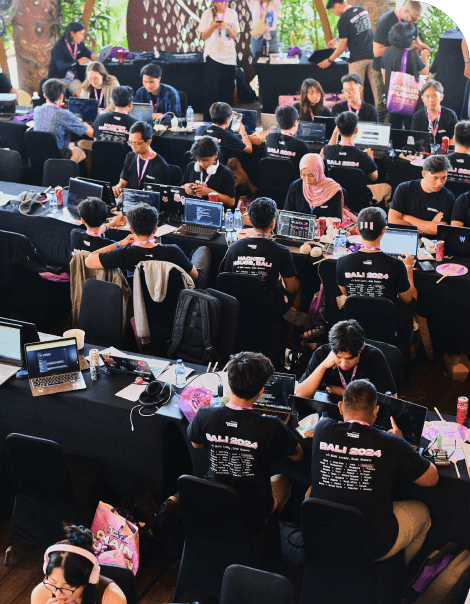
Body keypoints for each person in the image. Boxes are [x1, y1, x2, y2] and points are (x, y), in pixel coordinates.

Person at [309, 379, 438, 563]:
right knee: (423, 514)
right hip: (371, 544)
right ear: (376, 411)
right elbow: (432, 478)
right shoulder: (392, 443)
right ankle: (401, 572)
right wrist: (404, 443)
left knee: (310, 491)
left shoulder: (322, 429)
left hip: (322, 532)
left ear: (341, 407)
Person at [188, 351, 303, 527]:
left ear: (228, 382)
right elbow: (298, 456)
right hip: (252, 511)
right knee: (283, 481)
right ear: (261, 391)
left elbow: (196, 444)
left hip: (214, 500)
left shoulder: (204, 415)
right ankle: (268, 530)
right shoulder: (272, 425)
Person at [336, 206, 417, 355]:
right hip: (386, 327)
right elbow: (407, 299)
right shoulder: (396, 264)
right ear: (384, 230)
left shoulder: (342, 262)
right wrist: (408, 268)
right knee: (413, 293)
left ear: (357, 230)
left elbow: (345, 293)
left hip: (355, 328)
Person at [85, 203, 211, 288]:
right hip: (175, 300)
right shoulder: (173, 251)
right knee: (202, 250)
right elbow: (195, 277)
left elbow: (89, 261)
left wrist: (120, 243)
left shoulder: (124, 253)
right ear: (155, 229)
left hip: (140, 303)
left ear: (131, 230)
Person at [224, 196, 306, 325]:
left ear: (251, 221)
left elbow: (228, 278)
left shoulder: (234, 247)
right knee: (297, 284)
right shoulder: (282, 251)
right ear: (272, 224)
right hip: (267, 305)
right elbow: (290, 288)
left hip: (238, 302)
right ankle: (290, 330)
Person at [297, 319, 397, 399]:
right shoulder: (322, 353)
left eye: (350, 358)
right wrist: (323, 366)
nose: (344, 364)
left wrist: (340, 391)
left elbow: (392, 399)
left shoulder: (374, 357)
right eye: (339, 357)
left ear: (361, 348)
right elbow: (300, 395)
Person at [31, 525, 126, 603]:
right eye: (53, 582)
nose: (58, 594)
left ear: (89, 578)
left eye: (67, 588)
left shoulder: (113, 598)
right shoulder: (41, 594)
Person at [373, 0, 428, 122]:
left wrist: (419, 45)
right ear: (405, 11)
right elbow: (377, 51)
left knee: (407, 105)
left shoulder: (412, 20)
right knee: (385, 105)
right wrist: (402, 46)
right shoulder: (385, 21)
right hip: (387, 67)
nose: (415, 22)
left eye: (417, 20)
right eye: (414, 19)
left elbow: (415, 39)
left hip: (406, 69)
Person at [322, 111, 392, 206]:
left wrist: (335, 132)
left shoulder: (326, 151)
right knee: (387, 187)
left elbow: (327, 149)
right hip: (358, 198)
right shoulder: (363, 156)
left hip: (334, 195)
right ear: (356, 130)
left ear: (338, 130)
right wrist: (370, 159)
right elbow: (374, 177)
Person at [320, 0, 379, 109]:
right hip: (373, 55)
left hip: (357, 59)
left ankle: (359, 116)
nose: (335, 14)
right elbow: (358, 30)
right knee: (378, 91)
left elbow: (342, 46)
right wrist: (337, 39)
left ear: (337, 6)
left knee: (355, 92)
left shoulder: (343, 19)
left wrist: (329, 60)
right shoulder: (362, 10)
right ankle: (381, 117)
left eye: (333, 11)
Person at [388, 154, 454, 235]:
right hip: (405, 237)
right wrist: (425, 229)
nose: (440, 183)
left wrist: (407, 218)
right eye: (435, 178)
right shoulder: (404, 188)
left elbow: (439, 229)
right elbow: (392, 221)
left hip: (431, 242)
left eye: (444, 177)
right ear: (424, 174)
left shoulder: (447, 197)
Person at [381, 22, 429, 130]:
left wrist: (388, 92)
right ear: (407, 39)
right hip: (409, 97)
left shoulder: (387, 52)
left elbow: (384, 74)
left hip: (392, 96)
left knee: (394, 127)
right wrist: (424, 56)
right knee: (410, 127)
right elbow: (424, 71)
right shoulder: (411, 54)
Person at [198, 0, 240, 121]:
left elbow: (235, 36)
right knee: (211, 91)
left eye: (221, 2)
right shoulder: (207, 13)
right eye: (216, 2)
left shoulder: (232, 13)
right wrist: (212, 26)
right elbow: (203, 36)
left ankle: (226, 120)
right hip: (213, 56)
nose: (219, 4)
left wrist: (226, 27)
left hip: (229, 57)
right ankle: (208, 120)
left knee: (227, 90)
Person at [34, 78, 93, 163]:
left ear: (45, 96)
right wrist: (80, 121)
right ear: (61, 96)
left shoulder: (37, 110)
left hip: (40, 155)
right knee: (83, 150)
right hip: (60, 156)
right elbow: (91, 133)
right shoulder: (64, 114)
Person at [112, 121, 169, 196]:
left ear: (148, 142)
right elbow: (123, 182)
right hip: (129, 200)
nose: (133, 147)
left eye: (137, 143)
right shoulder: (130, 156)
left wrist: (132, 197)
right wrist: (118, 188)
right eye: (130, 143)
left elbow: (156, 198)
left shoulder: (161, 166)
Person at [284, 153, 343, 218]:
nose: (307, 180)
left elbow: (334, 219)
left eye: (311, 175)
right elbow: (286, 214)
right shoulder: (296, 186)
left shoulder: (332, 190)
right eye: (303, 175)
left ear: (319, 172)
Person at [183, 136, 236, 208]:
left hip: (214, 211)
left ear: (215, 155)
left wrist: (209, 192)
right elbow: (182, 185)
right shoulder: (191, 166)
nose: (201, 163)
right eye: (198, 159)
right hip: (193, 209)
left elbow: (231, 202)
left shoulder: (226, 173)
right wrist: (187, 187)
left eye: (205, 160)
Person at [48, 22, 98, 95]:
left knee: (84, 96)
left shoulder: (78, 43)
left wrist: (92, 55)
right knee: (59, 98)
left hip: (71, 78)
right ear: (72, 33)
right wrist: (77, 62)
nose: (82, 37)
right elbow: (61, 67)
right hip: (58, 79)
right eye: (81, 34)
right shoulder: (58, 46)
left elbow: (86, 50)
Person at [411, 80, 458, 148]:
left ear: (441, 97)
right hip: (423, 152)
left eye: (434, 96)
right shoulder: (417, 117)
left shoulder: (450, 115)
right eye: (427, 96)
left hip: (445, 152)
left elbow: (455, 140)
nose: (431, 100)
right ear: (422, 98)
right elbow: (414, 140)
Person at [265, 104, 310, 171]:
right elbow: (309, 165)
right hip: (294, 177)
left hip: (271, 176)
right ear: (295, 123)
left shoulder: (269, 138)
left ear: (277, 123)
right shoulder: (302, 145)